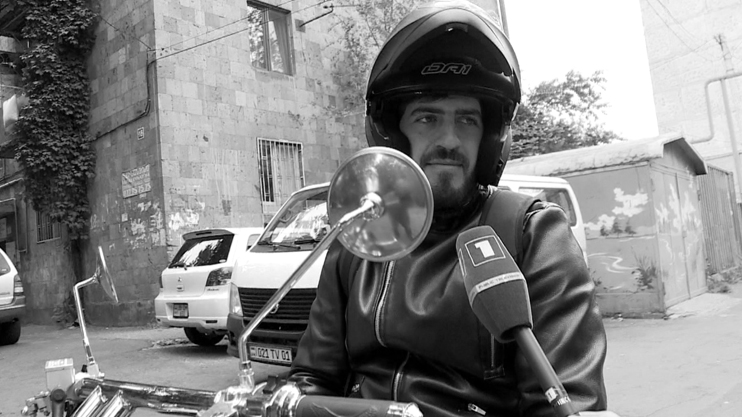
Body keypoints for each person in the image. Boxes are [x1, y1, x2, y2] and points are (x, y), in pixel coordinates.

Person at [290, 1, 619, 416]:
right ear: (393, 134)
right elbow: (313, 378)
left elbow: (565, 402)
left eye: (467, 120)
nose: (448, 140)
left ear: (490, 140)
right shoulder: (361, 234)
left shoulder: (533, 234)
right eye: (426, 118)